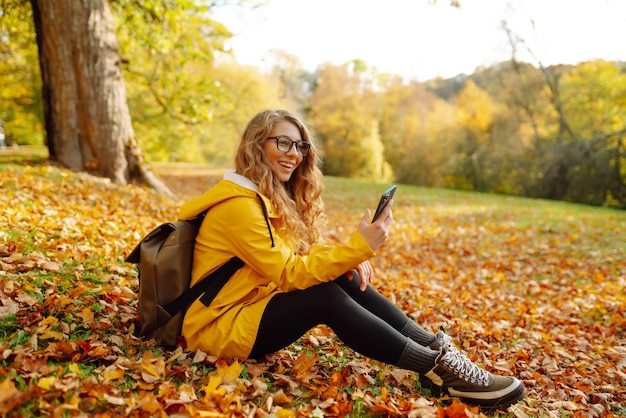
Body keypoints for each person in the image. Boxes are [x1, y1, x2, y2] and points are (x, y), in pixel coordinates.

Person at [179, 109, 526, 411]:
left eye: (299, 145)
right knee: (323, 297)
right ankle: (436, 369)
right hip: (217, 327)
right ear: (257, 146)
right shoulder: (239, 206)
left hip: (249, 304)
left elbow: (294, 256)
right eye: (282, 143)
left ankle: (437, 349)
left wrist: (345, 259)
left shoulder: (263, 197)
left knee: (339, 278)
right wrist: (358, 248)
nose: (294, 154)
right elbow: (288, 273)